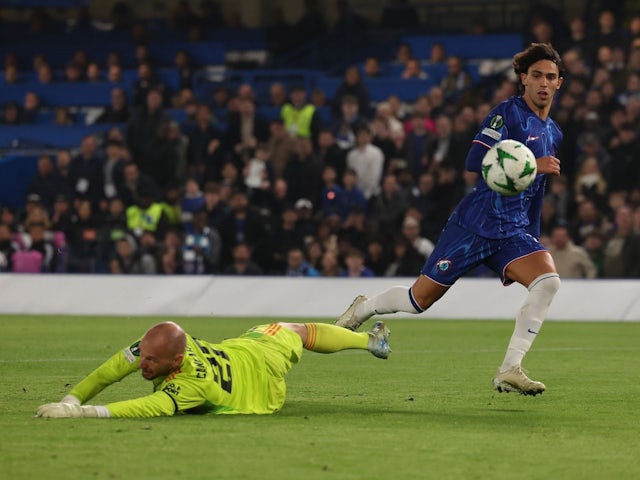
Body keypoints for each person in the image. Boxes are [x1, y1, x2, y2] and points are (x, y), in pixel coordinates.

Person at [335, 43, 565, 396]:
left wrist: (533, 237)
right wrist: (534, 165)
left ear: (559, 83)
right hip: (475, 224)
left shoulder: (554, 133)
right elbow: (475, 161)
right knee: (419, 300)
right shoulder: (507, 114)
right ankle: (365, 307)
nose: (543, 83)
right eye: (537, 76)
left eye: (550, 77)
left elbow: (536, 193)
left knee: (548, 281)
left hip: (513, 230)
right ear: (524, 79)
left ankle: (510, 368)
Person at [35, 319, 391, 418]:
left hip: (259, 367)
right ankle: (351, 332)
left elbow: (148, 407)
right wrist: (71, 398)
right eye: (141, 356)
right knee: (291, 329)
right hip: (245, 354)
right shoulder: (159, 347)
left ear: (175, 362)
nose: (142, 364)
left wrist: (82, 414)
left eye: (150, 361)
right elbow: (109, 371)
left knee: (293, 330)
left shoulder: (192, 385)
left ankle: (370, 340)